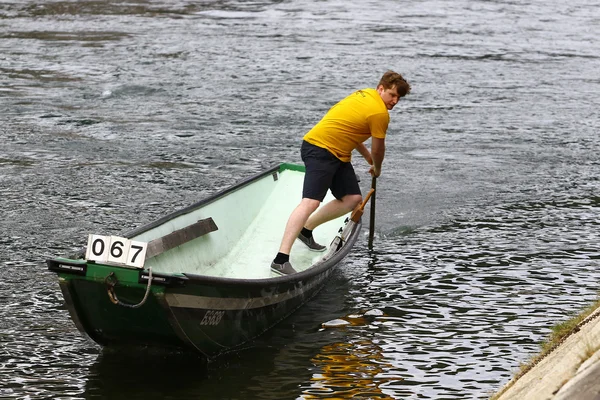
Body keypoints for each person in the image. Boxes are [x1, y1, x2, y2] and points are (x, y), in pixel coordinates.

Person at [271, 70, 411, 275]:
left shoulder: (363, 94)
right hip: (320, 149)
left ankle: (306, 229)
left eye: (399, 97)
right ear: (381, 89)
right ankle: (280, 259)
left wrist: (367, 158)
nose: (395, 101)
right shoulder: (379, 113)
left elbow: (350, 129)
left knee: (353, 199)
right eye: (392, 95)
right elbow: (378, 149)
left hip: (338, 154)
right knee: (310, 202)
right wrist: (377, 167)